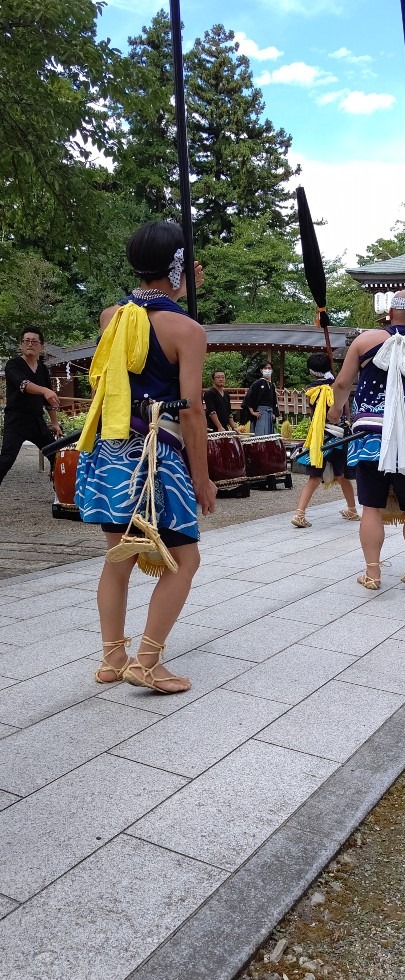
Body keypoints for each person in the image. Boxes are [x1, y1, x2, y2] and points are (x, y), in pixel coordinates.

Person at [75, 220, 216, 694]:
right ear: (178, 265)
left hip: (112, 453)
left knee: (118, 558)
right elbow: (192, 414)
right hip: (157, 457)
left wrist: (178, 285)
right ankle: (149, 661)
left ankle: (113, 658)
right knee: (186, 560)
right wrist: (203, 478)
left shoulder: (111, 317)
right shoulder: (186, 330)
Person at [327, 289, 405, 589]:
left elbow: (342, 383)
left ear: (390, 314)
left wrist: (334, 412)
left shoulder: (364, 341)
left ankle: (372, 572)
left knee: (371, 505)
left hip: (369, 435)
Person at [291, 352, 361, 527]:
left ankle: (300, 514)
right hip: (339, 437)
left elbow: (313, 414)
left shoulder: (311, 389)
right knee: (342, 476)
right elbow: (344, 410)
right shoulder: (337, 386)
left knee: (314, 478)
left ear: (312, 371)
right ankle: (352, 510)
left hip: (320, 437)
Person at [0, 326, 63, 486]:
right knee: (6, 460)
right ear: (21, 345)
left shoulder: (42, 369)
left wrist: (54, 423)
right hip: (16, 420)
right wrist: (44, 391)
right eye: (26, 341)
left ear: (42, 346)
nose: (30, 344)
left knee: (57, 455)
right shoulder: (13, 365)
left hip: (36, 421)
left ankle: (62, 494)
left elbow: (50, 401)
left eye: (34, 341)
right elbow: (24, 384)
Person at [242, 362, 279, 434]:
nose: (267, 370)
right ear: (261, 370)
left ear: (272, 370)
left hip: (270, 413)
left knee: (270, 436)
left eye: (269, 368)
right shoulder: (257, 383)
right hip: (261, 412)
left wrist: (274, 413)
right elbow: (249, 397)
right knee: (260, 435)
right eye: (265, 368)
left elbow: (274, 401)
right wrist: (252, 412)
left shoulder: (272, 385)